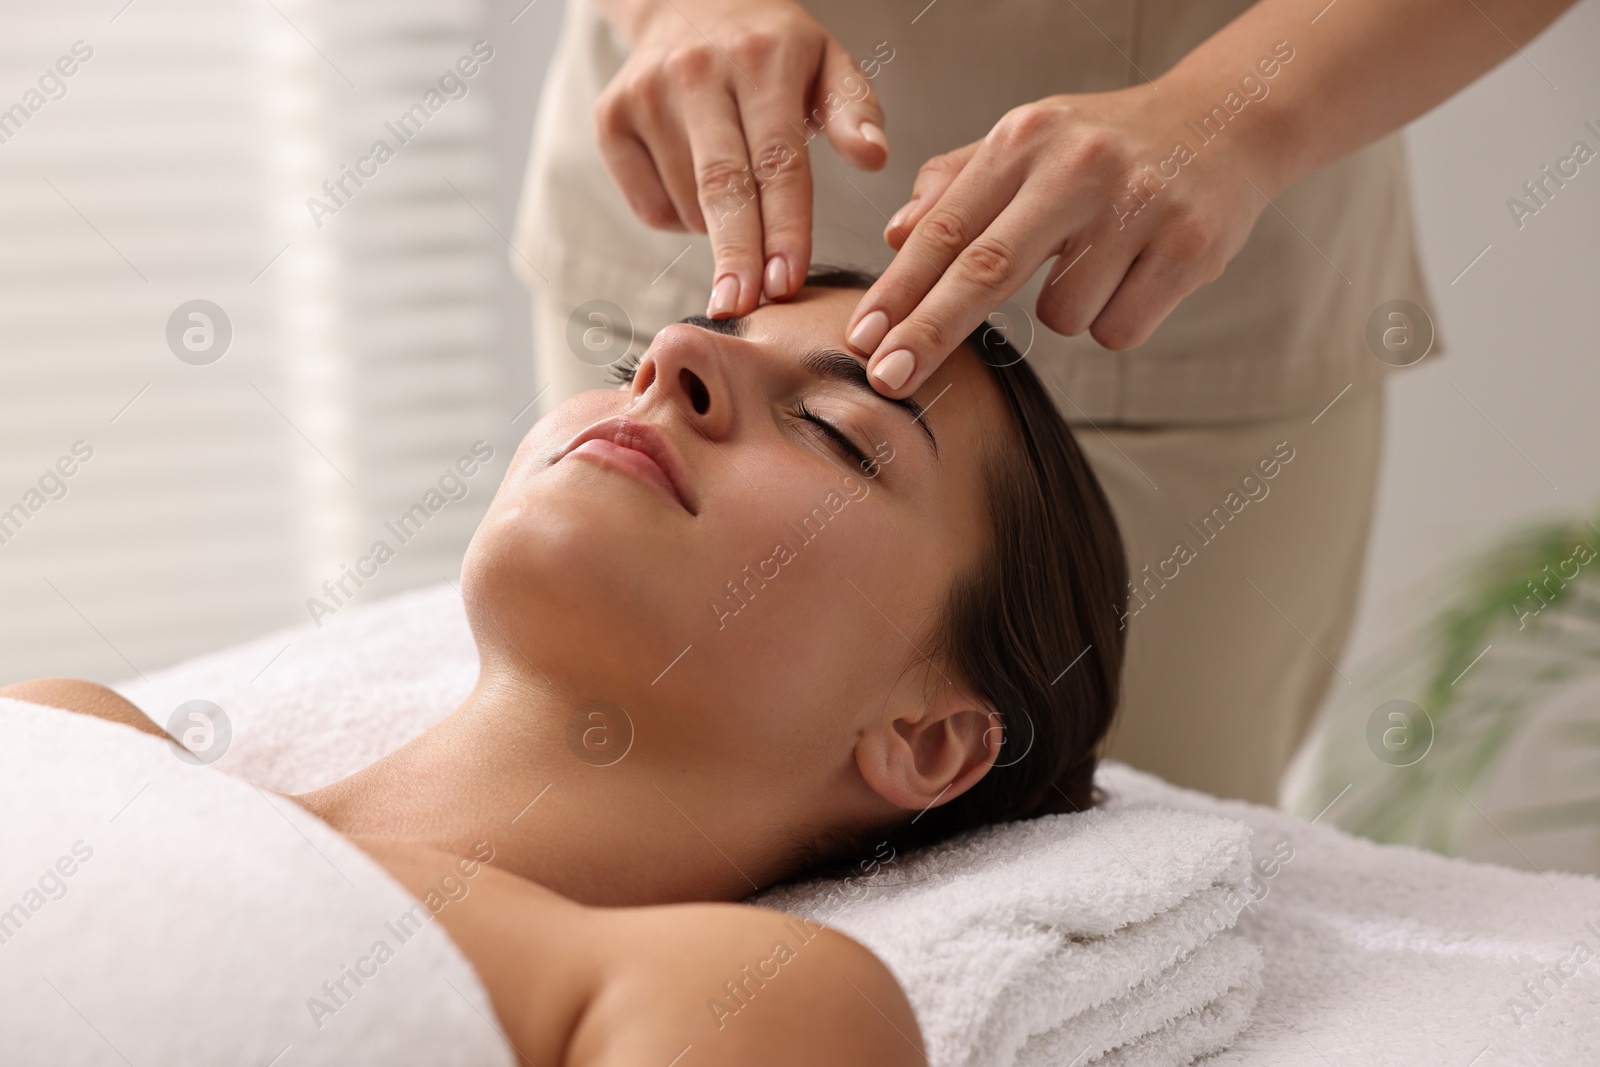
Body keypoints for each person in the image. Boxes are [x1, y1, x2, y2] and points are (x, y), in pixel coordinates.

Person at [3, 271, 1128, 1064]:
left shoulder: (746, 994)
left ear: (928, 736)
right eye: (633, 354)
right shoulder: (76, 730)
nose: (673, 359)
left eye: (832, 427)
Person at [512, 0, 1579, 804]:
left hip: (1165, 289)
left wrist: (1235, 109)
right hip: (689, 162)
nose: (671, 368)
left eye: (843, 432)